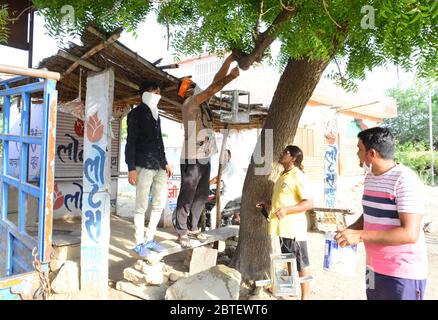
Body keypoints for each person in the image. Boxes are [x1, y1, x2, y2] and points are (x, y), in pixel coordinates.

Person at [335, 127, 428, 300]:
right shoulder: (370, 177)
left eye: (359, 149)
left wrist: (360, 236)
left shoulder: (405, 180)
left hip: (401, 274)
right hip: (372, 268)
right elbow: (371, 214)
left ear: (371, 153)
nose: (357, 154)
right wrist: (349, 231)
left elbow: (410, 234)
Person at [175, 54, 240, 248]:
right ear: (188, 92)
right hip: (192, 157)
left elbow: (215, 83)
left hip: (204, 156)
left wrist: (228, 62)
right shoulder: (190, 104)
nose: (197, 88)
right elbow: (214, 87)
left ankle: (194, 227)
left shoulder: (201, 103)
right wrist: (231, 77)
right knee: (188, 193)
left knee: (202, 194)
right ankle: (182, 230)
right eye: (193, 86)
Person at [257, 145, 314, 300]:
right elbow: (283, 199)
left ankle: (305, 297)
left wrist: (287, 210)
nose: (281, 153)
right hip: (281, 227)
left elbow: (308, 203)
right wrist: (268, 203)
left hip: (294, 229)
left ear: (293, 158)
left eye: (285, 152)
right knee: (287, 258)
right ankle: (288, 288)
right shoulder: (283, 175)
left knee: (301, 263)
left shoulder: (298, 176)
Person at [125, 80, 173, 258]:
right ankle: (139, 243)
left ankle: (150, 238)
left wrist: (166, 162)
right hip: (142, 164)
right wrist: (131, 167)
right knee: (141, 205)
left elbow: (159, 141)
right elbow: (130, 142)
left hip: (159, 164)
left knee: (159, 203)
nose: (158, 94)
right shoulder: (136, 114)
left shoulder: (156, 114)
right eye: (155, 90)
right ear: (144, 93)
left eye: (159, 91)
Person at [209, 149, 243, 229]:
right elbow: (221, 180)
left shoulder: (227, 165)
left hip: (230, 195)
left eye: (225, 156)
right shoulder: (231, 165)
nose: (223, 157)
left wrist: (206, 185)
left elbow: (216, 179)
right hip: (237, 194)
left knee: (213, 213)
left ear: (229, 157)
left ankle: (213, 232)